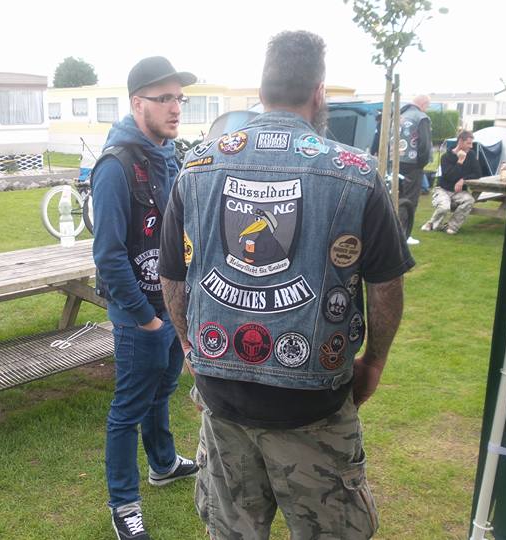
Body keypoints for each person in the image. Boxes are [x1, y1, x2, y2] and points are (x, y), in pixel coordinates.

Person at [159, 31, 414, 539]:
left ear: (262, 90)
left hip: (223, 393)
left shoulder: (199, 164)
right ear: (318, 93)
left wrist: (189, 344)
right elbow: (385, 284)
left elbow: (172, 274)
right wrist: (375, 361)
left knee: (232, 532)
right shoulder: (356, 173)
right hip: (314, 400)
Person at [91, 56, 199, 540]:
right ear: (138, 104)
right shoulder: (115, 167)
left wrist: (176, 311)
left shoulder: (168, 157)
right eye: (165, 98)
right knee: (128, 409)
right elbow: (108, 256)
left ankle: (163, 463)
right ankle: (123, 503)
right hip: (140, 317)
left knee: (162, 391)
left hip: (171, 307)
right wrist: (147, 320)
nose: (176, 108)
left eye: (179, 98)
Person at [420, 130, 479, 235]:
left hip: (459, 192)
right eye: (468, 143)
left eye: (471, 143)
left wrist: (463, 180)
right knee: (444, 207)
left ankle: (451, 226)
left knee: (469, 200)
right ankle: (431, 224)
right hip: (443, 190)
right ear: (460, 141)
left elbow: (478, 173)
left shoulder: (471, 155)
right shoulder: (446, 157)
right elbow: (450, 176)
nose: (471, 146)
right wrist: (460, 161)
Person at [396, 95, 433, 246]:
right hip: (413, 164)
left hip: (395, 161)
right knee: (410, 200)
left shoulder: (399, 115)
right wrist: (422, 163)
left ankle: (392, 230)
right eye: (427, 106)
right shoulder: (421, 117)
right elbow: (424, 143)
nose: (427, 109)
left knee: (396, 196)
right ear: (423, 104)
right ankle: (404, 234)